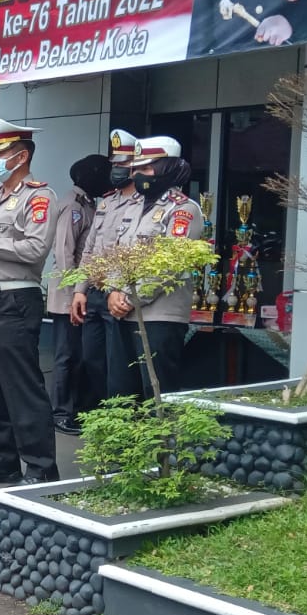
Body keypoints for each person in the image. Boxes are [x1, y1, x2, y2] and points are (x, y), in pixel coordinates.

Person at [0, 118, 59, 486]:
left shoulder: (39, 197)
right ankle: (2, 459)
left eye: (0, 153)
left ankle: (40, 465)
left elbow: (35, 249)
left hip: (14, 298)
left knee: (21, 386)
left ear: (21, 157)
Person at [117, 137, 205, 397]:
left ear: (166, 168)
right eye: (136, 169)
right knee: (122, 393)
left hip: (160, 315)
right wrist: (113, 291)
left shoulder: (183, 209)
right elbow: (117, 253)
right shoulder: (133, 207)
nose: (137, 175)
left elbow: (170, 265)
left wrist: (129, 298)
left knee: (156, 394)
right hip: (124, 313)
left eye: (145, 168)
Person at [70, 130, 142, 410]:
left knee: (119, 366)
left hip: (118, 295)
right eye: (115, 164)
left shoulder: (144, 204)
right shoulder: (107, 203)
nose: (117, 169)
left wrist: (118, 289)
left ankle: (122, 419)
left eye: (123, 164)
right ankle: (103, 416)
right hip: (95, 294)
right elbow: (89, 250)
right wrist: (80, 290)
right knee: (92, 360)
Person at [48, 154, 109, 437]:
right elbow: (65, 254)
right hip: (68, 295)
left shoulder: (88, 204)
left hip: (79, 294)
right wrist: (76, 291)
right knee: (67, 356)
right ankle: (61, 413)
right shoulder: (73, 206)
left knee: (80, 356)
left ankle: (76, 409)